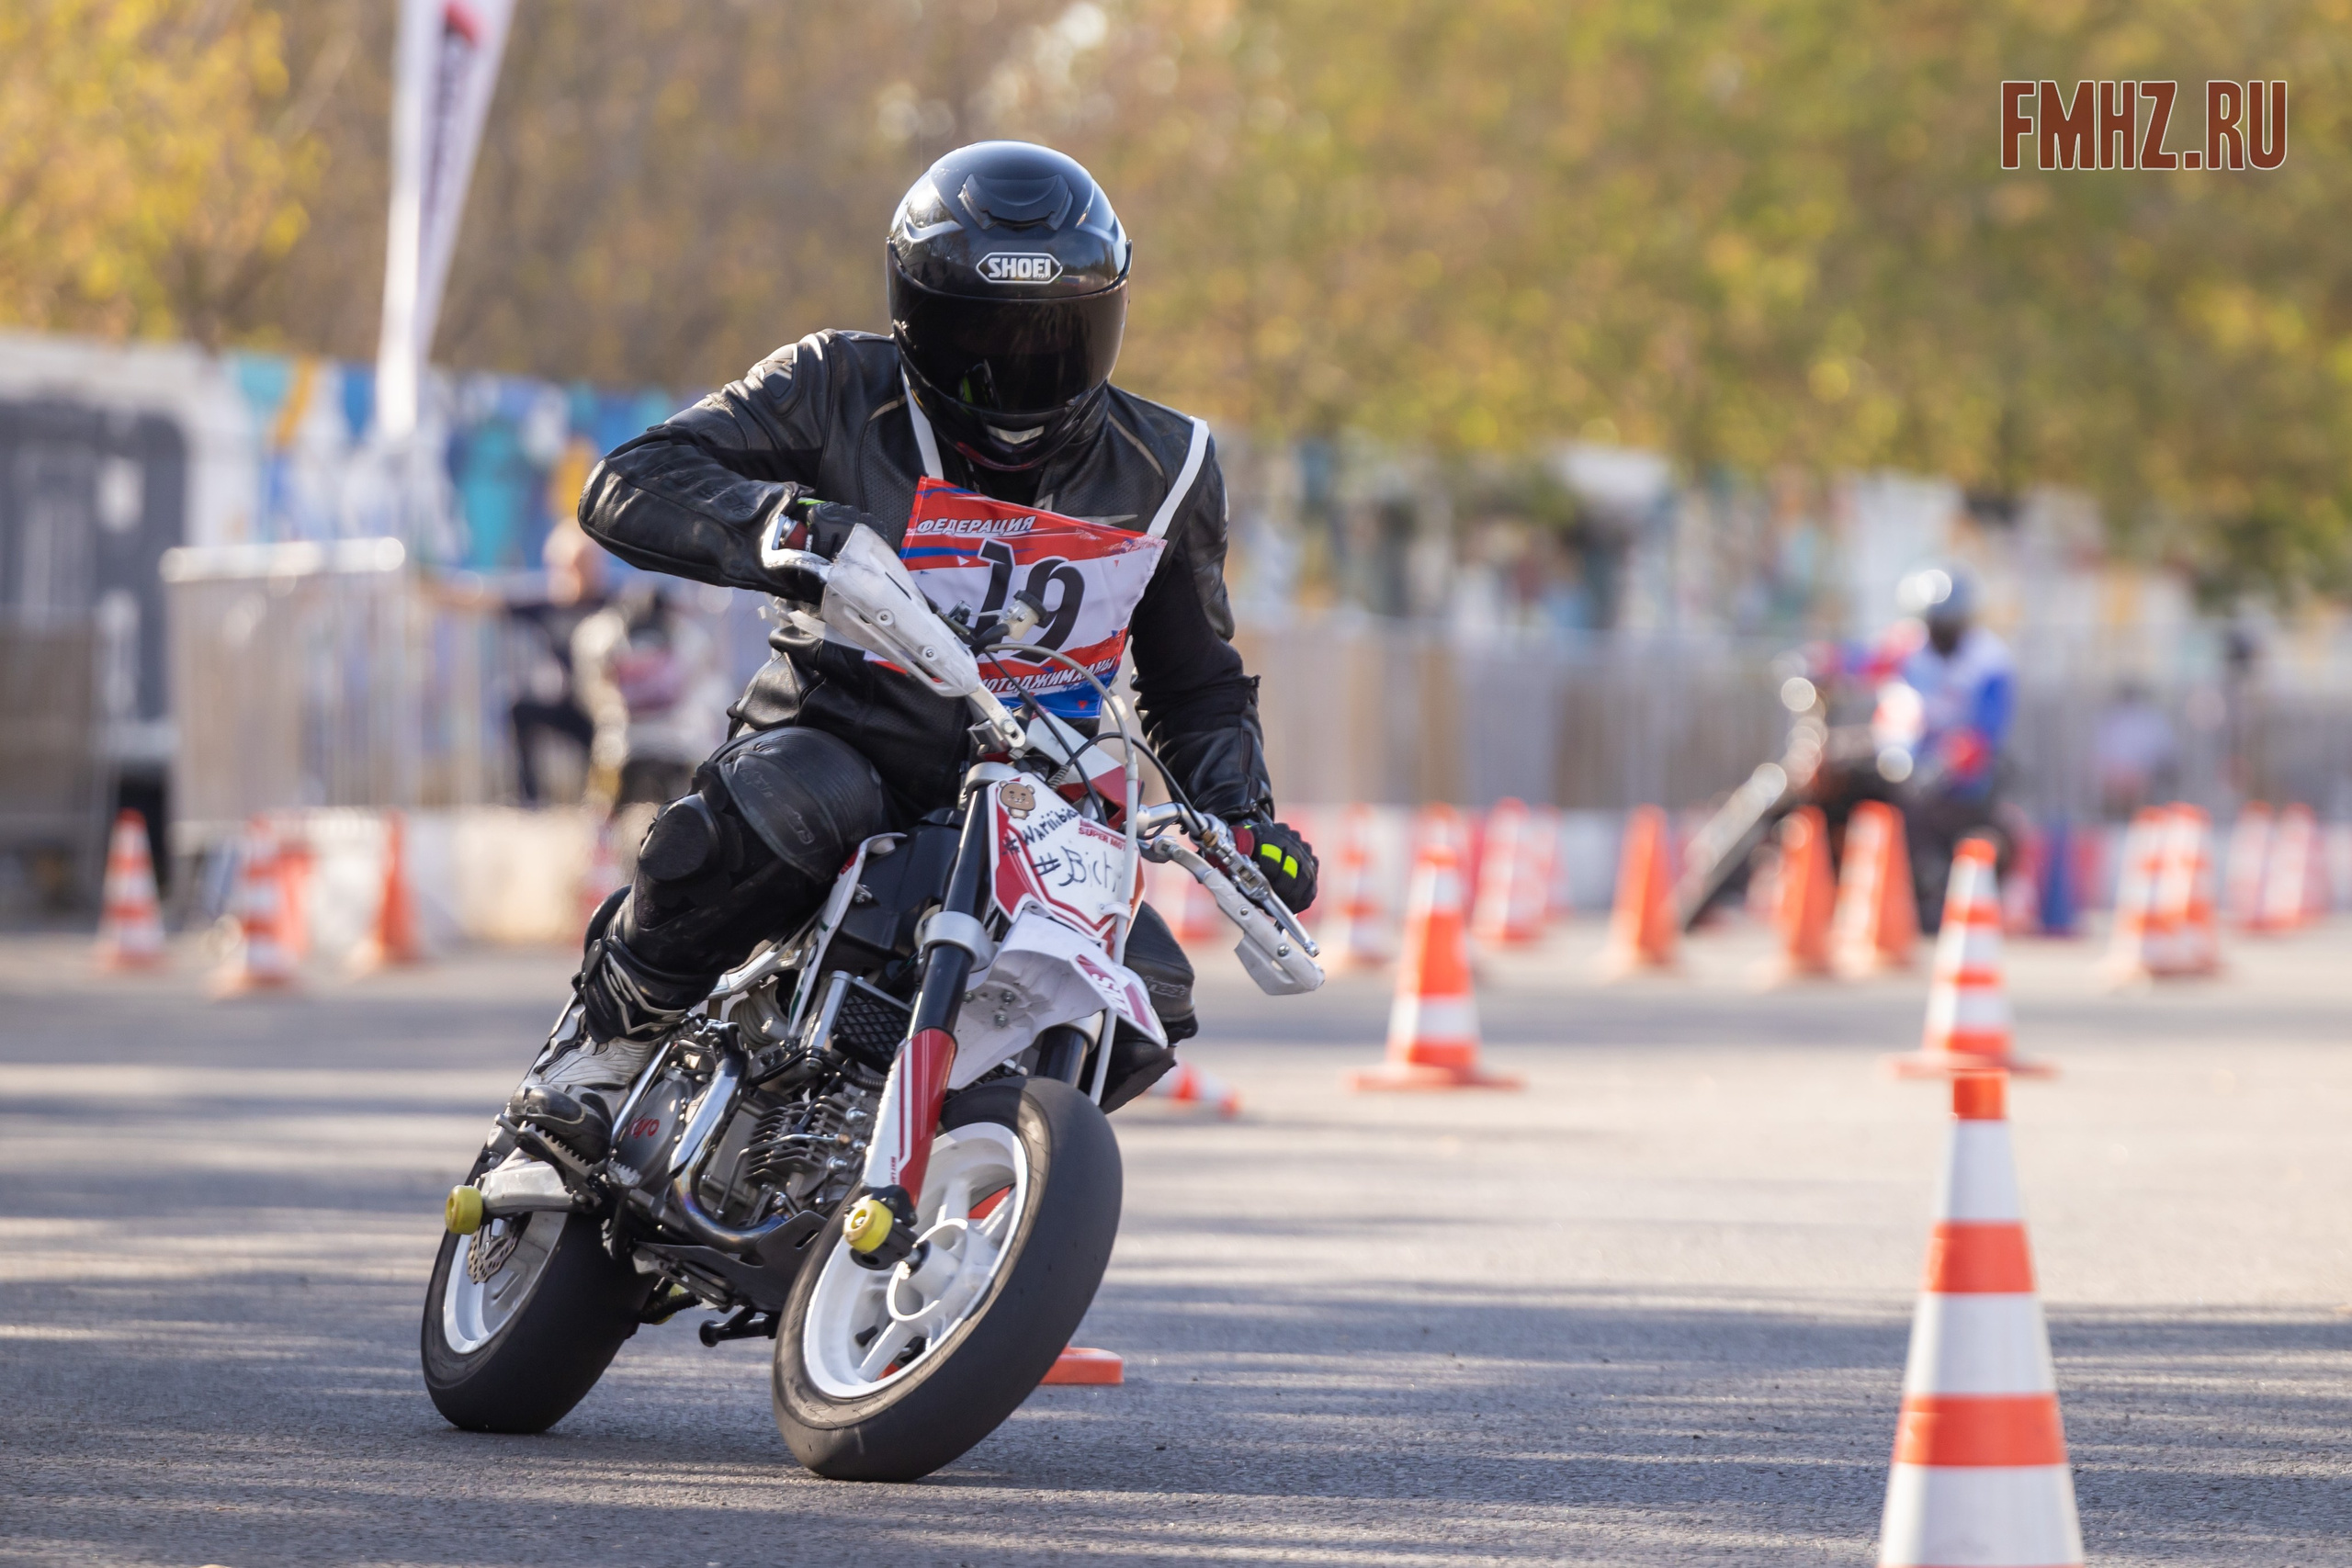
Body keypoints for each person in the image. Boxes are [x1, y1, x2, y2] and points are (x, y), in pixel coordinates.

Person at [523, 141, 1317, 1139]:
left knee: (1149, 983)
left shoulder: (1168, 465)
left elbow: (1195, 679)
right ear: (912, 315)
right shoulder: (833, 383)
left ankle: (959, 1145)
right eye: (981, 336)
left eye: (1055, 336)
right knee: (799, 799)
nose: (1019, 366)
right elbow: (628, 481)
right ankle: (615, 1036)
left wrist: (1240, 817)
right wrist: (783, 526)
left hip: (1037, 804)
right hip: (843, 739)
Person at [1875, 566, 2015, 925]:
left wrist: (1945, 762)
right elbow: (1864, 663)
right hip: (1902, 759)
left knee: (1931, 809)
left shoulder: (1989, 661)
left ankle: (1929, 887)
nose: (1939, 635)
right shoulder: (1906, 646)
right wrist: (1821, 662)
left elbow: (1985, 732)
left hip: (1960, 778)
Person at [571, 581, 730, 810]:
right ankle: (601, 828)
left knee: (702, 754)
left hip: (675, 726)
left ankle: (705, 811)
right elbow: (592, 689)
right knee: (607, 756)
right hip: (626, 728)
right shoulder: (601, 638)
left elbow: (707, 688)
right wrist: (611, 708)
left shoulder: (689, 639)